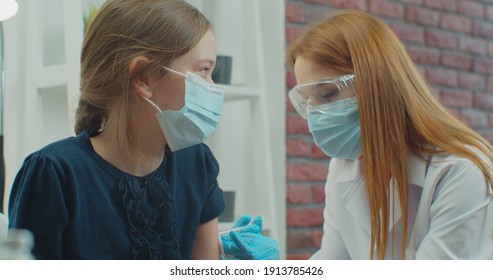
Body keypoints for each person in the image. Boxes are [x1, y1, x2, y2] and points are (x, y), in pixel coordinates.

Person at [7, 0, 277, 260]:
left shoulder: (196, 163)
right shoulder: (53, 173)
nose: (213, 85)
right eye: (203, 70)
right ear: (144, 77)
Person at [287, 9, 493, 259]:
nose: (317, 116)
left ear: (378, 83)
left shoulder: (459, 170)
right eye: (307, 102)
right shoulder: (344, 166)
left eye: (328, 94)